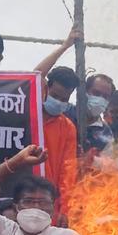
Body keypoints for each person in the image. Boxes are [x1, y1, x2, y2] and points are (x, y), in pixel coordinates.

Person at [42, 66, 79, 222]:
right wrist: (66, 45)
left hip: (48, 202)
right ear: (46, 89)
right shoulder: (27, 114)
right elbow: (36, 73)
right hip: (20, 197)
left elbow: (68, 171)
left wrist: (65, 208)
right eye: (55, 96)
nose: (58, 102)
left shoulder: (68, 127)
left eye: (64, 99)